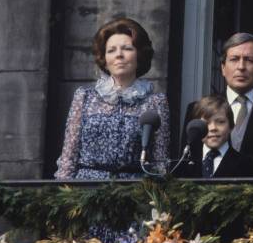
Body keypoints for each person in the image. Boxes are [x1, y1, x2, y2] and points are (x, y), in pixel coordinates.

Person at [55, 17, 169, 179]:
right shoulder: (85, 97)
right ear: (104, 59)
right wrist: (63, 194)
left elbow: (159, 161)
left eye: (127, 49)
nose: (119, 55)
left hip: (135, 191)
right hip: (86, 189)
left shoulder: (156, 102)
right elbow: (69, 157)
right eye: (111, 50)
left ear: (140, 55)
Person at [181, 33, 253, 177]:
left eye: (249, 60)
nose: (241, 67)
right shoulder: (195, 109)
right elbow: (187, 163)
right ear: (223, 68)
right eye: (234, 59)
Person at [178, 96, 253, 178]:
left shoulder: (247, 165)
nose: (213, 128)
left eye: (220, 122)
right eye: (206, 123)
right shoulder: (183, 164)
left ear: (231, 126)